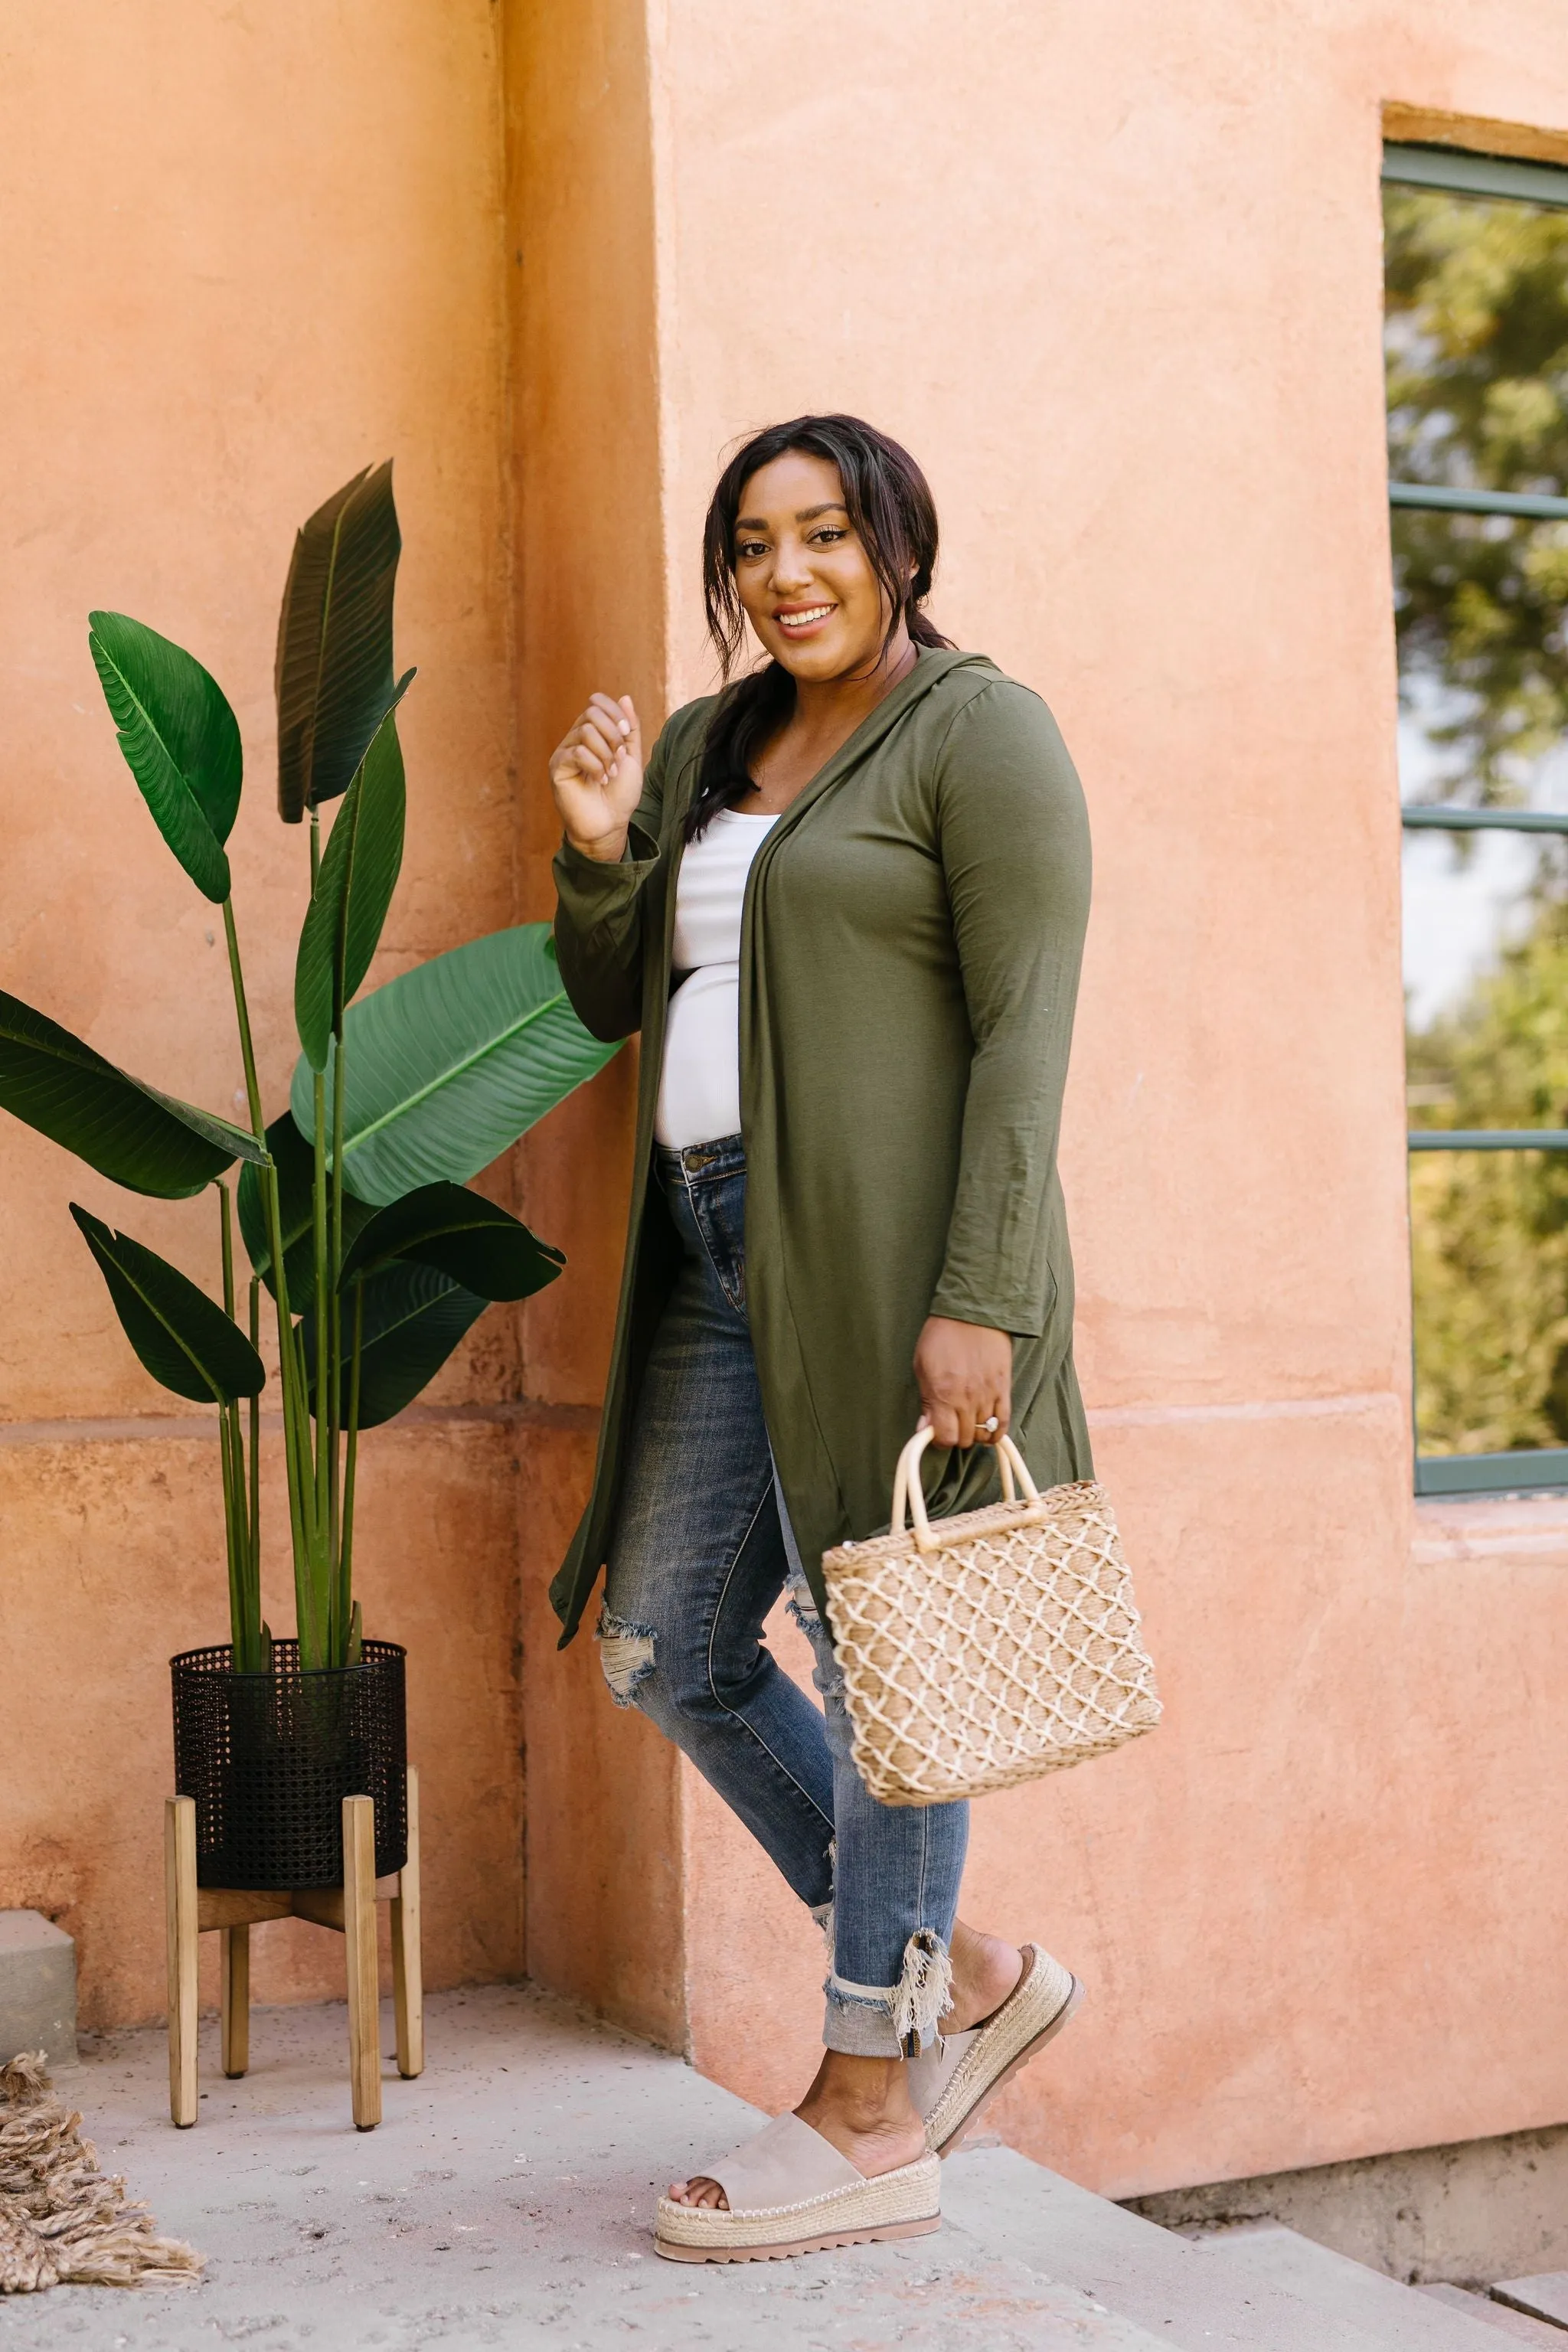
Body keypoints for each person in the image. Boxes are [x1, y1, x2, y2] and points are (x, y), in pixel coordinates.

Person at [547, 413, 1093, 2263]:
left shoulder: (978, 732)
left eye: (825, 536)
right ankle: (970, 1970)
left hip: (883, 1266)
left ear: (897, 544)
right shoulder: (716, 741)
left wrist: (982, 1296)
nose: (787, 574)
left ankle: (872, 2103)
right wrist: (603, 850)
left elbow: (1025, 1035)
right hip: (701, 1247)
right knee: (666, 1647)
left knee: (897, 1674)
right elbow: (617, 990)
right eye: (755, 545)